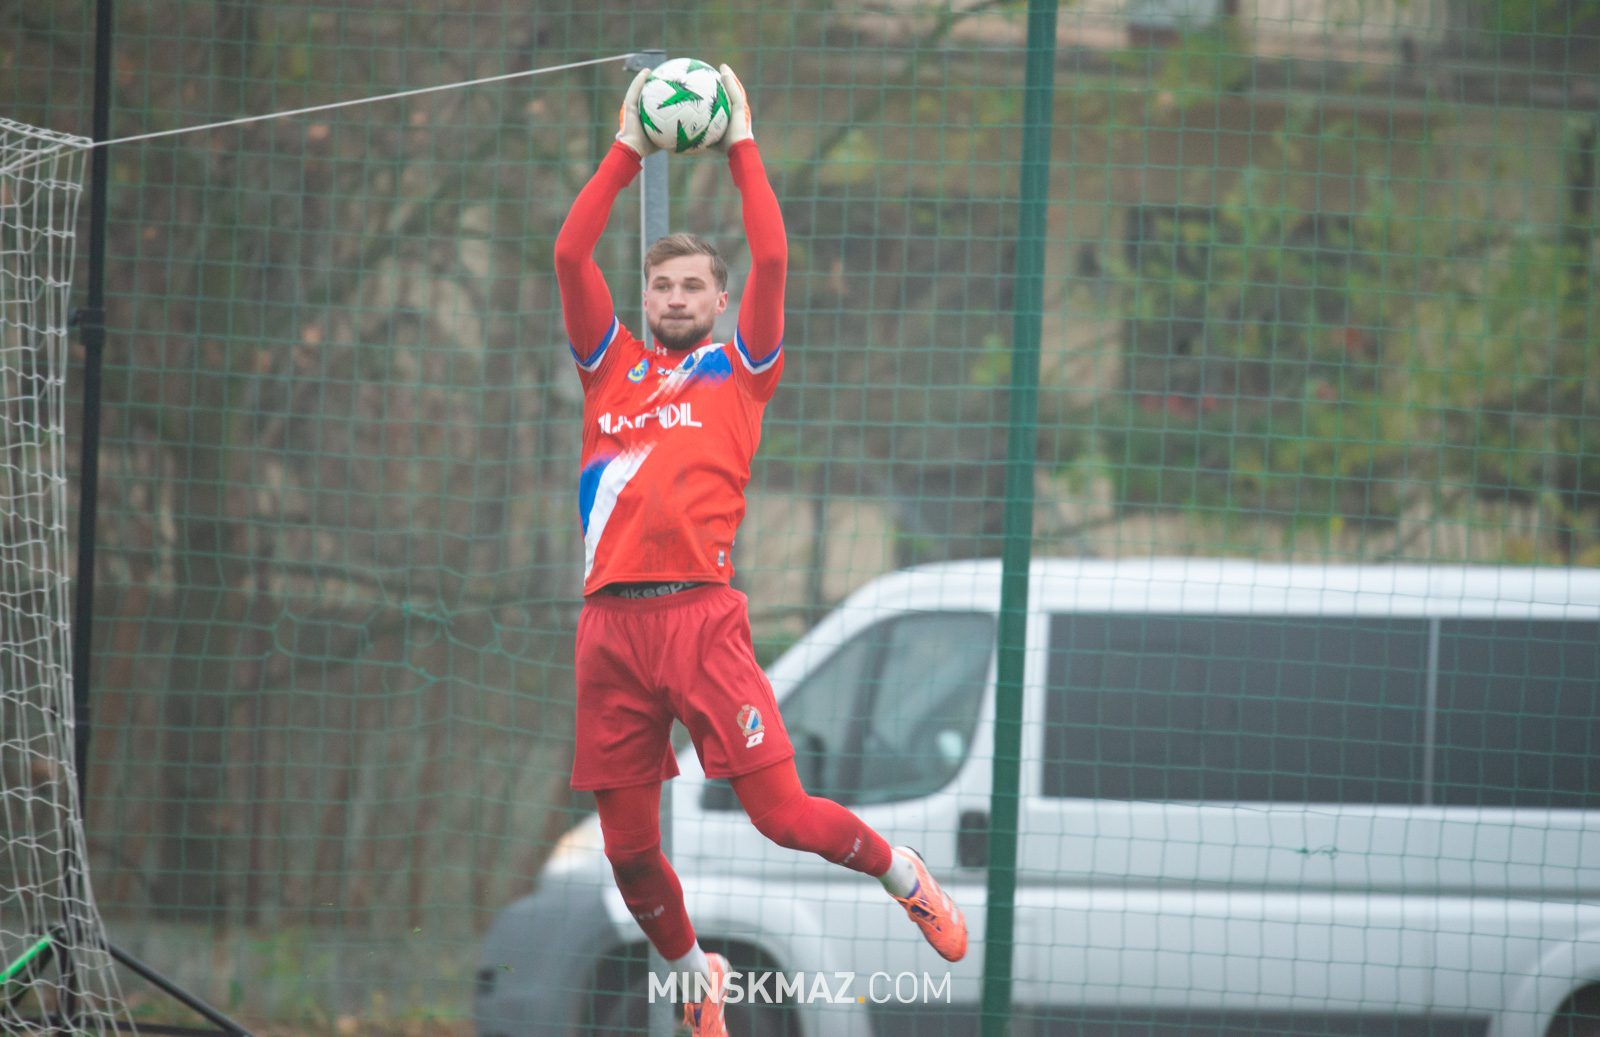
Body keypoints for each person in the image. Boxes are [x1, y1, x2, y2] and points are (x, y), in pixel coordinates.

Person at [552, 63, 969, 1037]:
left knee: (782, 815)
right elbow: (570, 253)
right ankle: (694, 971)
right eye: (662, 284)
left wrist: (740, 137)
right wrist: (626, 148)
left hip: (701, 620)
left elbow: (774, 255)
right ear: (646, 298)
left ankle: (901, 872)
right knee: (627, 852)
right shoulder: (610, 368)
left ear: (718, 298)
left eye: (694, 284)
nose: (676, 295)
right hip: (610, 629)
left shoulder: (738, 371)